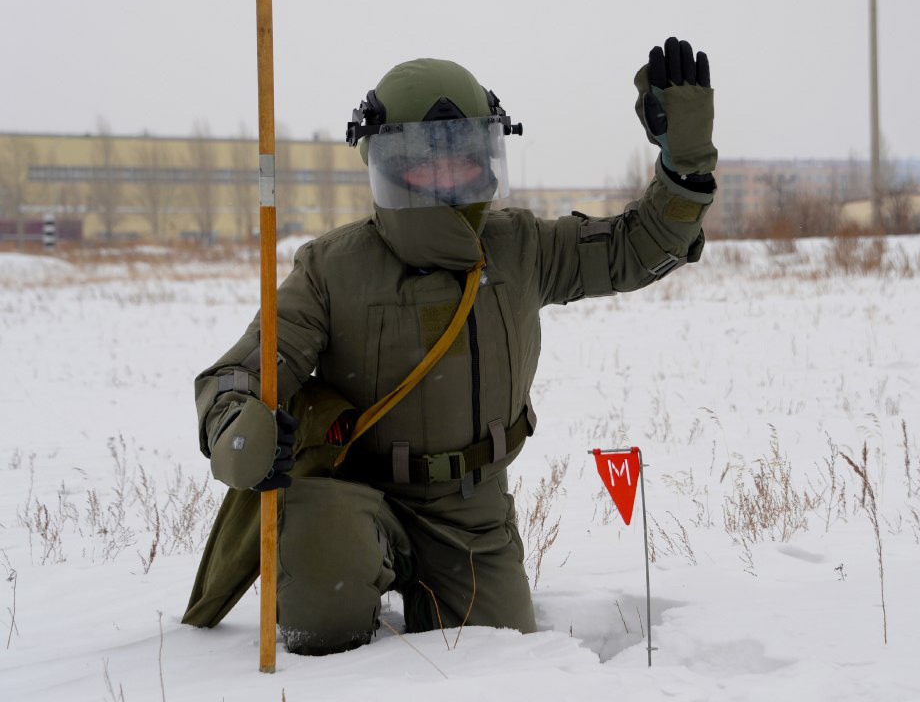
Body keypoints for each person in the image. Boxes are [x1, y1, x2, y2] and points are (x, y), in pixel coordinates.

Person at [182, 37, 717, 656]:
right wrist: (235, 429)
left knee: (501, 662)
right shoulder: (332, 268)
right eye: (422, 159)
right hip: (357, 498)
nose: (446, 176)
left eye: (462, 155)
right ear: (385, 163)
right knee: (323, 589)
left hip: (473, 515)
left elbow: (641, 247)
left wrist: (686, 163)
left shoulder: (523, 248)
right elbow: (236, 374)